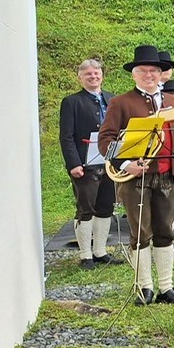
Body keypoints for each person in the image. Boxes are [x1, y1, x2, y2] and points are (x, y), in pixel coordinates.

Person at [97, 45, 174, 305]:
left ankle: (166, 286)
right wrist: (125, 162)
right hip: (135, 177)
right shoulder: (121, 102)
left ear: (161, 73)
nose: (149, 75)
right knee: (140, 232)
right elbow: (105, 139)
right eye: (143, 71)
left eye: (154, 70)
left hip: (164, 175)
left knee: (165, 230)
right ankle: (144, 286)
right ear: (134, 74)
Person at [59, 58, 118, 270]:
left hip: (109, 163)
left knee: (105, 207)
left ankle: (100, 251)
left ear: (102, 75)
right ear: (80, 78)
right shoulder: (72, 102)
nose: (93, 77)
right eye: (88, 74)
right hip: (85, 164)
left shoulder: (112, 99)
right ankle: (85, 255)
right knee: (86, 208)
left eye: (96, 73)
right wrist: (73, 163)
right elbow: (67, 136)